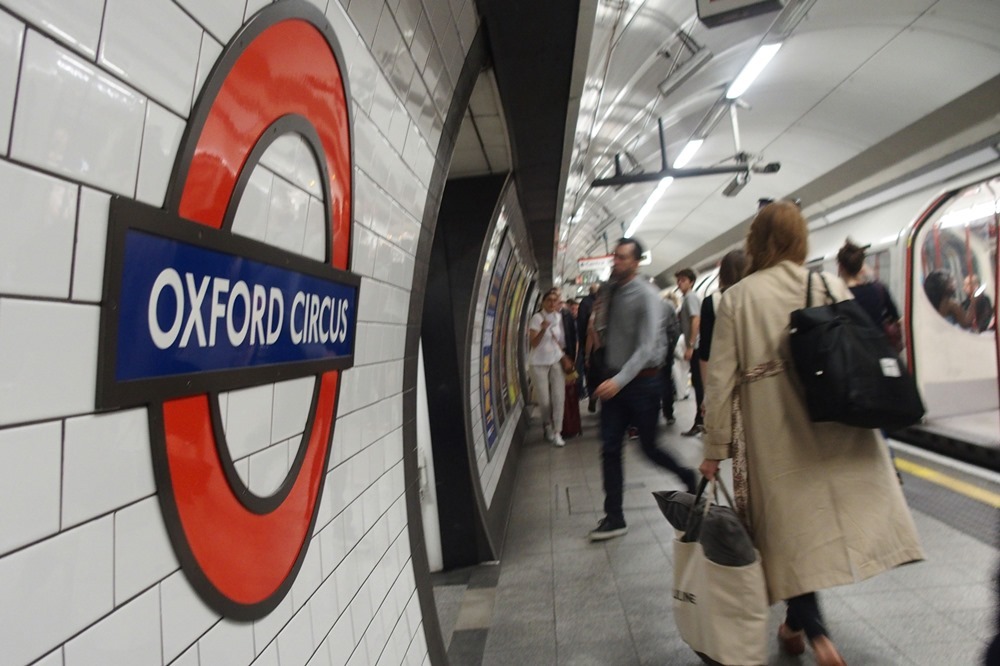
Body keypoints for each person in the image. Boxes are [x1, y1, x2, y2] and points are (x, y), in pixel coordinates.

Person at [699, 201, 924, 666]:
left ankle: (817, 635)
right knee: (814, 533)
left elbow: (719, 382)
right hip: (833, 420)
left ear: (755, 242)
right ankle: (795, 627)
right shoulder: (826, 282)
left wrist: (714, 448)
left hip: (772, 432)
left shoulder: (737, 299)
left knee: (785, 538)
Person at [590, 238, 698, 541]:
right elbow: (605, 332)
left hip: (642, 384)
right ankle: (614, 517)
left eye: (624, 258)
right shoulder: (611, 292)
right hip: (615, 382)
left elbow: (647, 346)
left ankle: (687, 475)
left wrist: (619, 380)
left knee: (648, 448)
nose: (617, 262)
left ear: (637, 262)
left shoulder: (648, 296)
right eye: (616, 257)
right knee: (610, 449)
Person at [697, 249, 746, 392]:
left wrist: (706, 392)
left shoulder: (711, 302)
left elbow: (705, 351)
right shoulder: (756, 296)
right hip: (753, 373)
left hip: (722, 375)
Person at [836, 239, 901, 338]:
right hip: (880, 348)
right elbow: (896, 318)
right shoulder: (879, 288)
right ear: (861, 265)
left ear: (840, 267)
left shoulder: (838, 297)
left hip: (854, 351)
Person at [528, 289, 568, 447]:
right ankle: (547, 425)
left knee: (559, 396)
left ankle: (558, 431)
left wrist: (565, 354)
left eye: (554, 300)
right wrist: (543, 328)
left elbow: (561, 340)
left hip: (556, 360)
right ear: (543, 303)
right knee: (544, 400)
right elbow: (533, 343)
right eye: (548, 300)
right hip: (538, 363)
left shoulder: (559, 317)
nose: (552, 303)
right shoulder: (536, 318)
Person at [675, 268, 704, 436]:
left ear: (691, 281)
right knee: (698, 385)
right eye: (678, 280)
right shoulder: (687, 298)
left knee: (699, 385)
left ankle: (700, 421)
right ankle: (700, 421)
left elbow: (696, 319)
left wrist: (691, 345)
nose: (680, 283)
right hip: (695, 346)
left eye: (683, 280)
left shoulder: (691, 297)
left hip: (697, 347)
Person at [661, 293, 681, 426]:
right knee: (666, 381)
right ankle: (668, 414)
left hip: (645, 353)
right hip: (665, 348)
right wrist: (672, 346)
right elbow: (675, 329)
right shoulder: (667, 306)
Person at [578, 284, 599, 410]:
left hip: (591, 348)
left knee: (591, 373)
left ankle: (593, 395)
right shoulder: (610, 307)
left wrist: (584, 352)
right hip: (609, 351)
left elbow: (584, 329)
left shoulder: (584, 304)